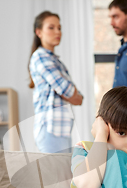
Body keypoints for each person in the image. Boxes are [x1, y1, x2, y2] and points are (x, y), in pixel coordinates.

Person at [28, 11, 83, 153]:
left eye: (59, 28)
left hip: (60, 130)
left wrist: (71, 94)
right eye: (51, 27)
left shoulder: (55, 60)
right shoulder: (41, 57)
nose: (57, 32)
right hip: (50, 130)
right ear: (39, 32)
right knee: (57, 175)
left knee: (64, 174)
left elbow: (78, 98)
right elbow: (68, 90)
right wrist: (72, 93)